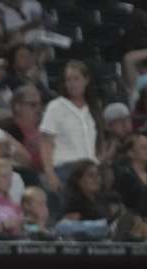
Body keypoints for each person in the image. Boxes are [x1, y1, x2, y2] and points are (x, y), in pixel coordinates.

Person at [39, 60, 97, 195]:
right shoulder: (56, 107)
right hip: (66, 171)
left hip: (91, 169)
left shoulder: (92, 109)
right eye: (68, 80)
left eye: (76, 79)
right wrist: (50, 174)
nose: (72, 84)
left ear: (86, 80)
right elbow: (45, 142)